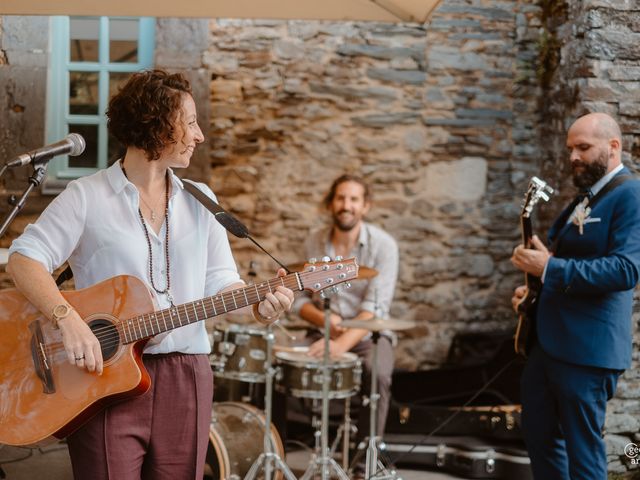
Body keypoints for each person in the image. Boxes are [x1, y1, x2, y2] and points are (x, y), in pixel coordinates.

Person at [6, 69, 294, 480]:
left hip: (186, 375)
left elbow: (221, 282)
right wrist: (66, 319)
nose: (199, 136)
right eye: (190, 123)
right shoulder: (86, 196)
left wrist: (259, 307)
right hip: (102, 377)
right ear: (156, 125)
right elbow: (24, 258)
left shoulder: (202, 202)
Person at [511, 112, 640, 480]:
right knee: (540, 439)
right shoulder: (585, 198)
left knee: (583, 455)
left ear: (614, 147)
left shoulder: (632, 195)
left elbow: (625, 270)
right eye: (571, 149)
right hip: (548, 345)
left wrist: (549, 269)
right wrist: (534, 288)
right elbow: (569, 264)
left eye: (583, 147)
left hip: (587, 350)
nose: (573, 157)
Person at [293, 174, 399, 464]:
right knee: (278, 365)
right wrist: (323, 322)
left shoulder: (384, 246)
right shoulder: (313, 242)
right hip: (321, 331)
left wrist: (339, 345)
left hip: (368, 336)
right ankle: (280, 449)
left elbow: (375, 307)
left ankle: (366, 460)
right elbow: (298, 299)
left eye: (354, 199)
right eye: (340, 198)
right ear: (331, 203)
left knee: (377, 373)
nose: (346, 205)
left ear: (365, 206)